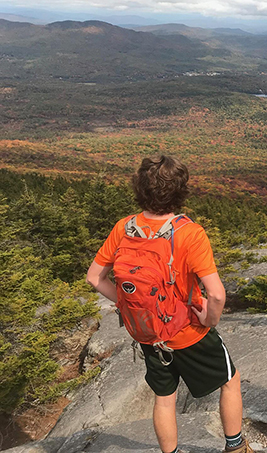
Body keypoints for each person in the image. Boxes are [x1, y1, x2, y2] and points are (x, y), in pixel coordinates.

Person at [86, 155, 252, 453]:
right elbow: (215, 294)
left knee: (165, 398)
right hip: (189, 332)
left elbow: (94, 278)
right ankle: (236, 447)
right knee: (230, 380)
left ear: (140, 189)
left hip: (149, 333)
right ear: (180, 190)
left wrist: (127, 306)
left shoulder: (124, 228)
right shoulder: (190, 233)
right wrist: (210, 320)